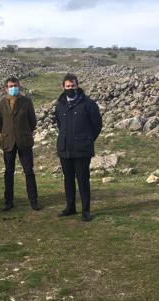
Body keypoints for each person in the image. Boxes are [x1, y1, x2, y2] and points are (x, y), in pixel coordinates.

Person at [55, 73, 102, 222]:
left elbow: (97, 125)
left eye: (73, 86)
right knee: (68, 180)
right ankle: (70, 207)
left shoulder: (88, 104)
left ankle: (86, 210)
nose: (70, 88)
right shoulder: (60, 104)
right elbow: (60, 125)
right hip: (65, 150)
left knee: (83, 180)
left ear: (77, 85)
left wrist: (87, 140)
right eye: (67, 86)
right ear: (63, 87)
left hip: (82, 150)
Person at [0, 77, 40, 211]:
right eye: (10, 86)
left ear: (19, 86)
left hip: (24, 141)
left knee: (29, 171)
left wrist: (24, 132)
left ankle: (33, 200)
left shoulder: (26, 102)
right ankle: (8, 201)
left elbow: (32, 121)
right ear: (6, 88)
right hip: (8, 142)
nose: (13, 88)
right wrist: (8, 133)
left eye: (15, 85)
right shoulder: (1, 103)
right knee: (8, 172)